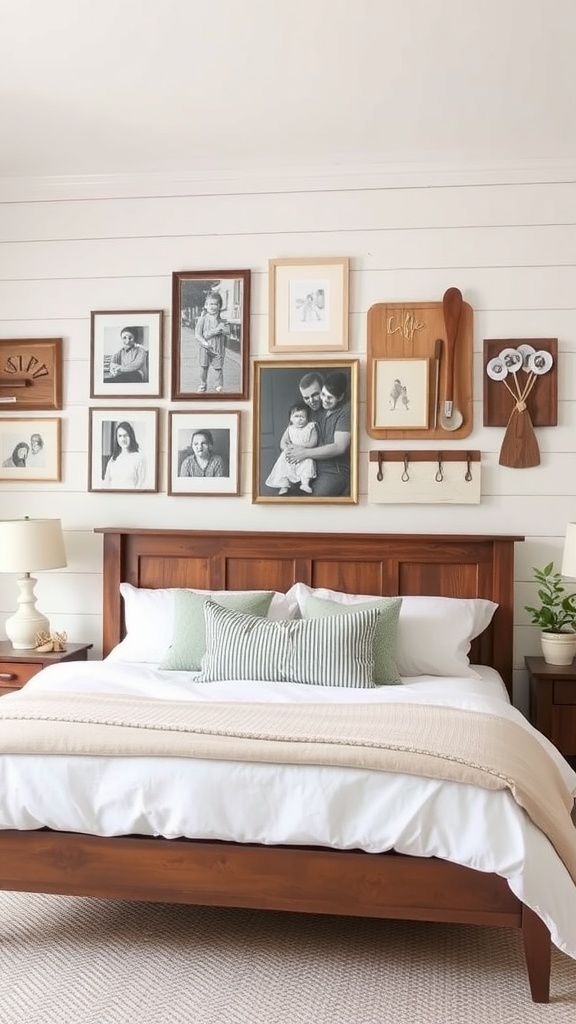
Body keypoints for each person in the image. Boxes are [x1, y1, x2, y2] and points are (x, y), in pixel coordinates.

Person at [286, 370, 351, 497]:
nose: (311, 401)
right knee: (287, 498)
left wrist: (303, 453)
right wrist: (289, 450)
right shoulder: (307, 411)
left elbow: (340, 447)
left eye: (315, 394)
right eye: (306, 397)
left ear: (324, 388)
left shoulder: (345, 410)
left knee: (314, 504)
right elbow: (287, 436)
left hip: (333, 472)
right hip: (307, 467)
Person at [265, 402, 318, 495]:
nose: (299, 419)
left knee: (308, 463)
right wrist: (286, 449)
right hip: (291, 452)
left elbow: (313, 442)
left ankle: (305, 483)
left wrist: (301, 447)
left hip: (305, 452)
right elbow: (283, 441)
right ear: (291, 418)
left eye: (302, 416)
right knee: (282, 463)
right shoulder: (290, 428)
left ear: (307, 418)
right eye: (296, 416)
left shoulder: (311, 427)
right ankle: (284, 485)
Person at [195, 291, 231, 393]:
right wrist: (206, 342)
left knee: (218, 368)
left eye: (216, 304)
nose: (213, 306)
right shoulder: (203, 319)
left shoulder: (222, 321)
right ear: (206, 305)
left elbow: (227, 331)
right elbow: (198, 334)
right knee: (203, 366)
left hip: (218, 348)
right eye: (210, 304)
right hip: (205, 347)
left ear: (219, 306)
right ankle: (202, 384)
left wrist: (223, 329)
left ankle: (218, 386)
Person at [103, 421, 147, 489]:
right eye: (120, 436)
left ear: (131, 436)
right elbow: (106, 482)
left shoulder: (139, 458)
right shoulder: (113, 459)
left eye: (126, 435)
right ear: (117, 438)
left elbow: (141, 483)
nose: (123, 439)